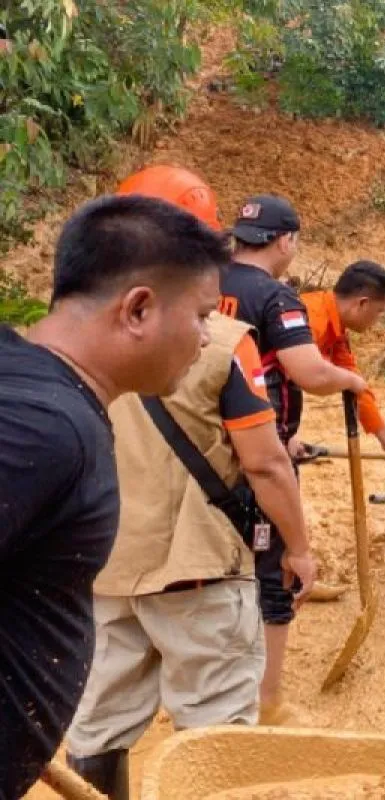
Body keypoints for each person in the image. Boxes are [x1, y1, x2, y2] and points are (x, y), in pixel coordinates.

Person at [60, 170, 317, 799]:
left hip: (105, 569)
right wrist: (300, 546)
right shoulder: (223, 343)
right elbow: (264, 463)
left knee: (98, 728)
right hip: (196, 568)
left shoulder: (72, 340)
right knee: (218, 727)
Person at [0, 195, 229, 799]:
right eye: (203, 315)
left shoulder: (33, 388)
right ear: (138, 310)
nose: (207, 338)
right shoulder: (46, 427)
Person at [218, 194, 366, 724]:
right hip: (257, 452)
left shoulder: (205, 284)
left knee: (219, 567)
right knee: (280, 568)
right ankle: (269, 700)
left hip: (203, 452)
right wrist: (350, 379)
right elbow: (308, 370)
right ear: (285, 241)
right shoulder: (276, 297)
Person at [293, 260, 385, 464]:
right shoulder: (311, 318)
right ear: (362, 303)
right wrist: (283, 434)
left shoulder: (336, 329)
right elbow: (271, 372)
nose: (378, 320)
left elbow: (357, 386)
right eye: (380, 311)